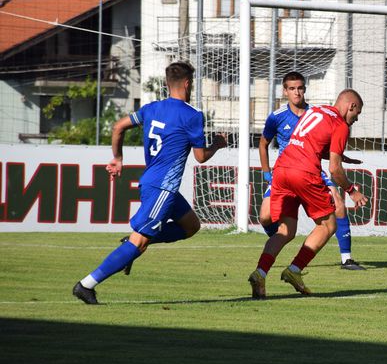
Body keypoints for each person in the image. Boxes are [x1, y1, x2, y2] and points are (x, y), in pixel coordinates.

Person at [72, 61, 227, 304]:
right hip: (162, 189)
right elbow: (200, 157)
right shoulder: (193, 115)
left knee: (191, 226)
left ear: (167, 84)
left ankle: (135, 242)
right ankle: (86, 284)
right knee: (140, 242)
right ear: (188, 84)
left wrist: (117, 158)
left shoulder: (151, 108)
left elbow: (118, 127)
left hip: (156, 184)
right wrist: (217, 144)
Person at [248, 89, 368, 299]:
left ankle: (260, 272)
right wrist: (352, 190)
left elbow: (310, 141)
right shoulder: (340, 125)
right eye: (356, 115)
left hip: (282, 169)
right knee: (328, 224)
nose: (354, 120)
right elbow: (334, 170)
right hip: (304, 173)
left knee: (285, 230)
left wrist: (340, 155)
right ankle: (294, 270)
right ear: (351, 106)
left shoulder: (316, 110)